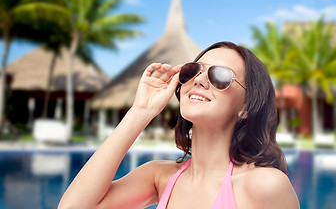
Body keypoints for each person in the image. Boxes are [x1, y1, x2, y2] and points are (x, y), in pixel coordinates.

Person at [58, 41, 300, 209]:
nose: (200, 80)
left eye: (221, 76)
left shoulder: (265, 185)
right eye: (193, 70)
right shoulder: (159, 177)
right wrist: (140, 112)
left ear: (246, 107)